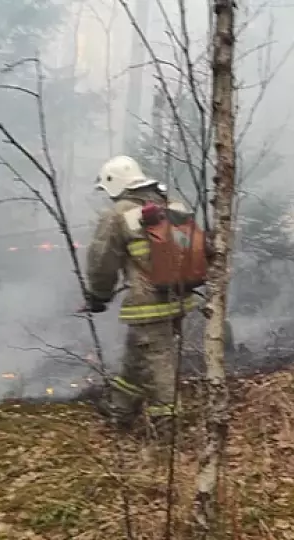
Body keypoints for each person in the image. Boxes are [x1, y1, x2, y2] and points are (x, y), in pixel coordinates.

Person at [81, 155, 203, 440]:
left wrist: (98, 296)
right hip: (179, 298)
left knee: (158, 359)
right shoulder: (169, 204)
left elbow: (102, 261)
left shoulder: (118, 214)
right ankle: (119, 411)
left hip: (149, 305)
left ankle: (168, 430)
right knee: (137, 355)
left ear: (113, 184)